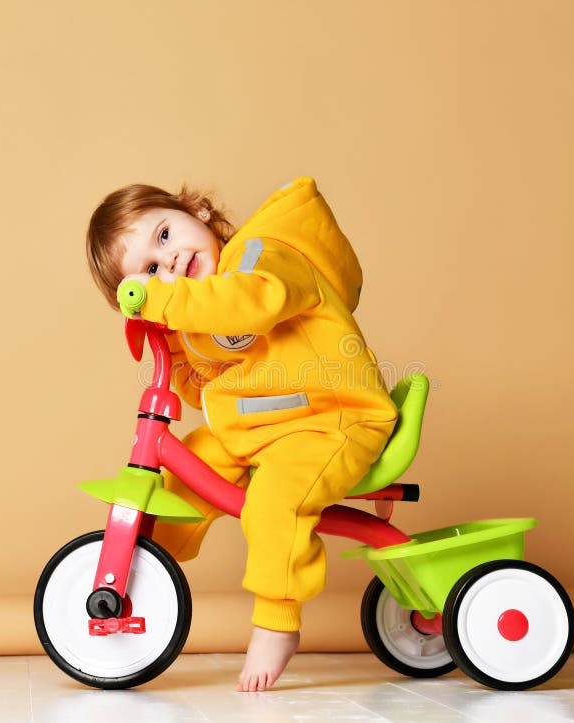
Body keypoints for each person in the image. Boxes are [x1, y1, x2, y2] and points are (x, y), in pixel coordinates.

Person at [86, 177, 397, 691]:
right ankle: (142, 572)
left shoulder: (263, 254)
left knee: (275, 503)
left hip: (332, 419)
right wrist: (177, 347)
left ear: (197, 211)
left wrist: (164, 302)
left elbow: (251, 303)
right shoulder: (196, 306)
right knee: (186, 473)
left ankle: (278, 620)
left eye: (164, 235)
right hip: (261, 428)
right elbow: (204, 381)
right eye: (150, 270)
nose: (171, 265)